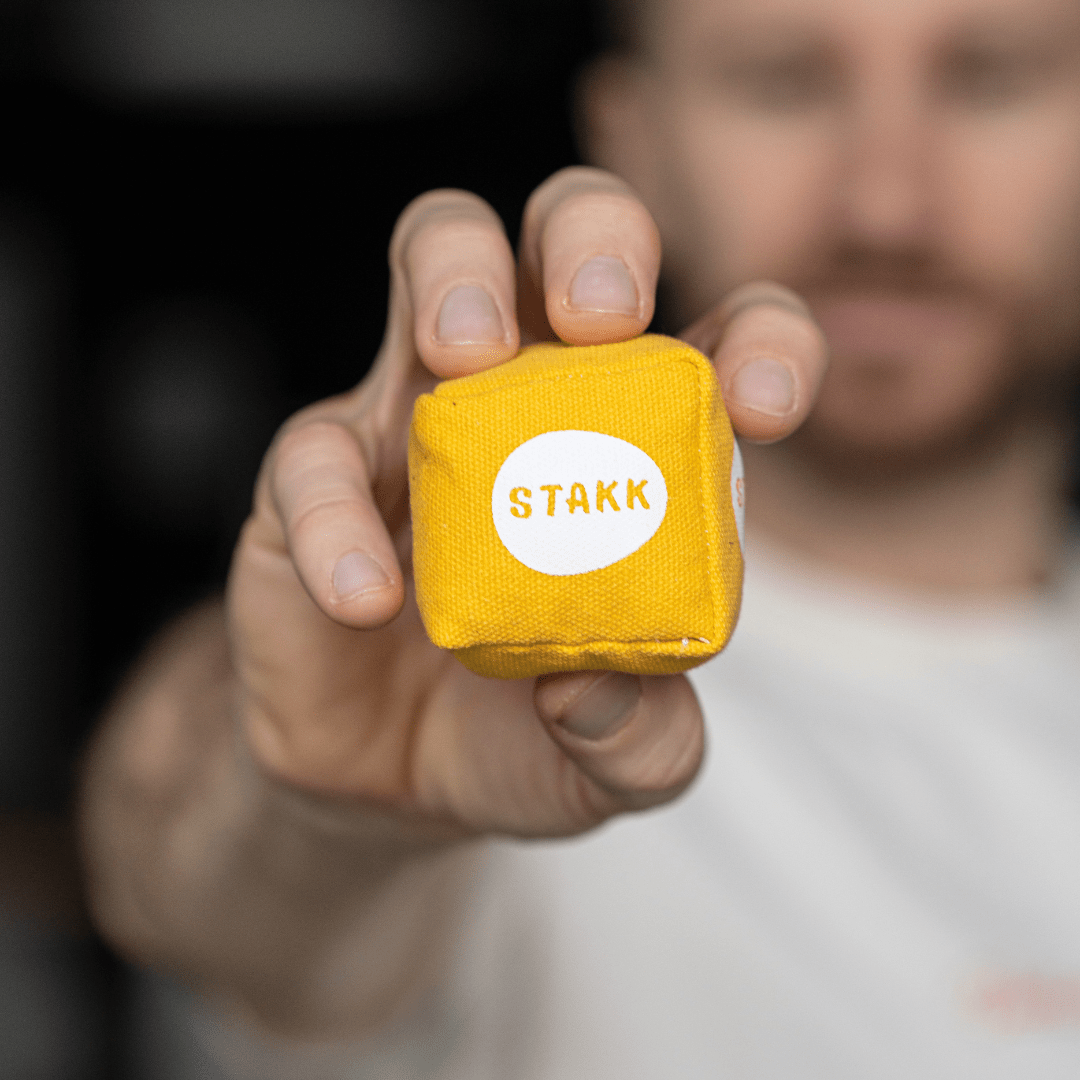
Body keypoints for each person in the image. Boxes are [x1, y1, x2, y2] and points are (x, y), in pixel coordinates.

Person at [80, 0, 1080, 1074]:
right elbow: (202, 904)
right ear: (631, 134)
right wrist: (315, 810)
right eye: (782, 81)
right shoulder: (495, 693)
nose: (885, 204)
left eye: (991, 78)